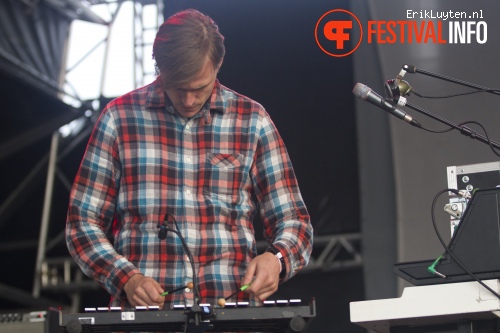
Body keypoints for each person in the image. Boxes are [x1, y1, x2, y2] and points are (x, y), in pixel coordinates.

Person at [66, 8, 313, 311]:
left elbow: (294, 222)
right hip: (145, 323)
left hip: (232, 320)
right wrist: (126, 278)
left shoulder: (253, 121)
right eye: (178, 88)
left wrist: (276, 260)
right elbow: (82, 224)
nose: (188, 100)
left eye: (199, 88)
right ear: (159, 68)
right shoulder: (118, 120)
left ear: (217, 66)